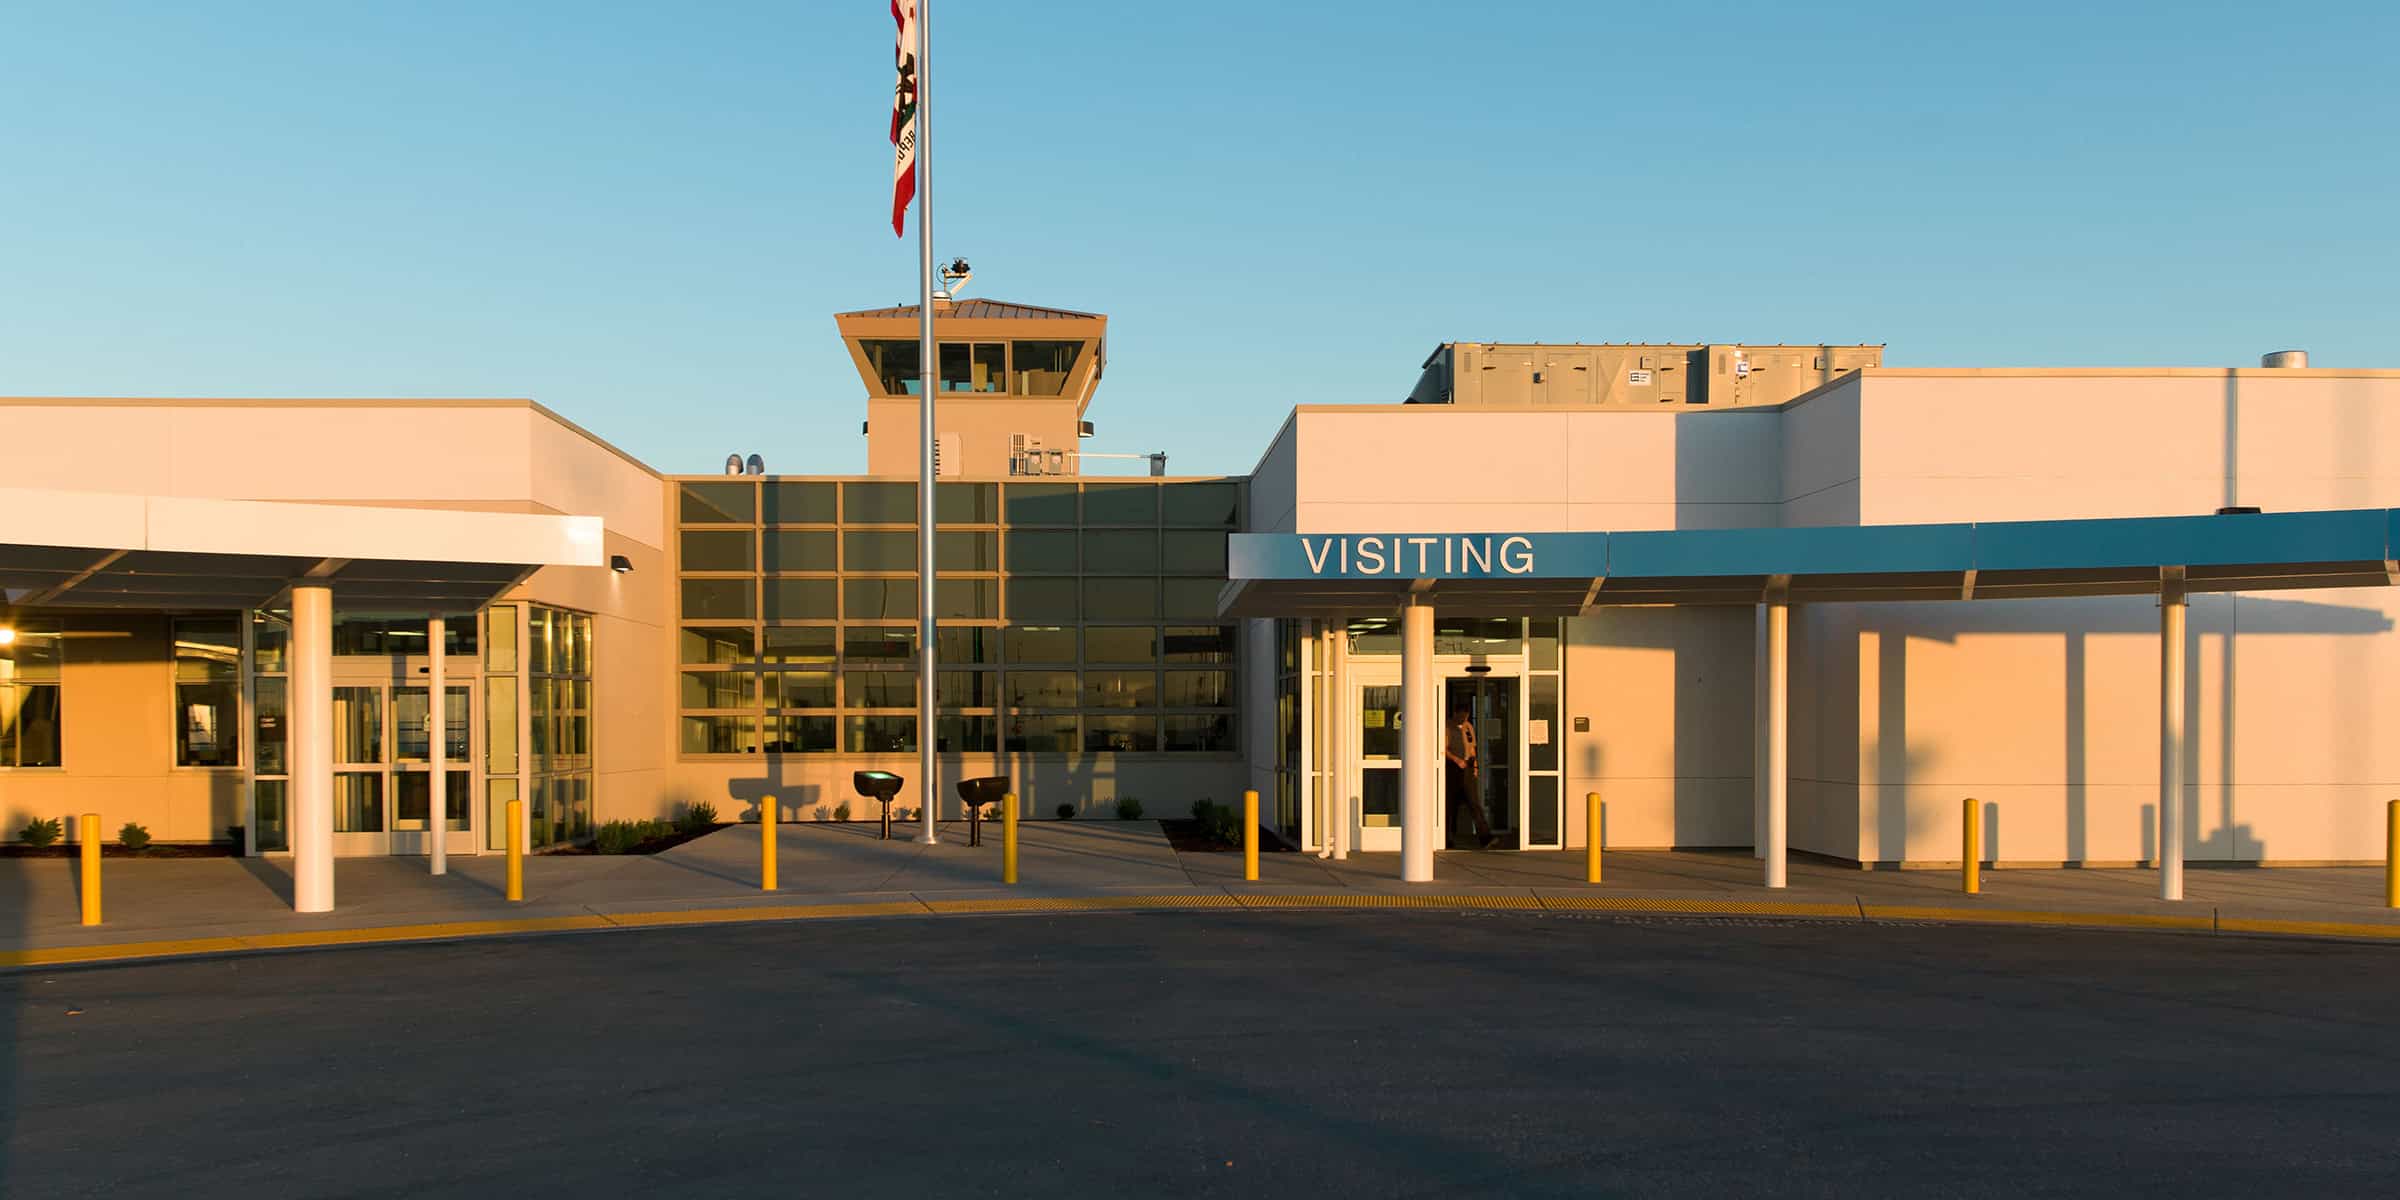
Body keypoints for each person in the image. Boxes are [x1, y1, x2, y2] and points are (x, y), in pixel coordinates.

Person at [1445, 706, 1494, 849]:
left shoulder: (1468, 727)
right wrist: (1456, 760)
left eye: (1466, 716)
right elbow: (1443, 749)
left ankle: (1485, 837)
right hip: (1453, 768)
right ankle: (1446, 838)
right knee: (1449, 805)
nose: (1464, 719)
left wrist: (1476, 766)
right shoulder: (1446, 727)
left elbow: (1472, 748)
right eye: (1462, 716)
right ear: (1455, 713)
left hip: (1468, 767)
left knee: (1474, 802)